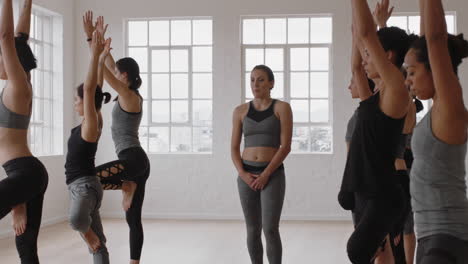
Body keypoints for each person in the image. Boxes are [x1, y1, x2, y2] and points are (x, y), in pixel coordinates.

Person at [339, 0, 413, 262]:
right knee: (378, 253)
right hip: (364, 188)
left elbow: (367, 36)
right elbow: (358, 57)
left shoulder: (396, 90)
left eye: (371, 54)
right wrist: (355, 24)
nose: (365, 58)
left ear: (388, 56)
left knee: (358, 250)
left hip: (382, 192)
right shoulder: (374, 96)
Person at [83, 12, 150, 264]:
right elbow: (110, 66)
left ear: (128, 76)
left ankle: (125, 185)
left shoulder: (130, 95)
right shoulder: (126, 91)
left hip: (132, 160)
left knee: (87, 178)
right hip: (137, 163)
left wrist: (97, 51)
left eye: (120, 73)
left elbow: (107, 71)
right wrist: (93, 37)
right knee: (133, 220)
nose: (117, 74)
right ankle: (134, 262)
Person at [404, 0, 468, 262]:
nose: (407, 81)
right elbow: (427, 40)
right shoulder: (438, 110)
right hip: (433, 235)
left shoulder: (449, 106)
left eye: (411, 72)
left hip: (445, 237)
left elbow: (434, 39)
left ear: (433, 68)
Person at [0, 0, 49, 263]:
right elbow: (19, 38)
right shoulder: (21, 83)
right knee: (27, 248)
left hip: (25, 174)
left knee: (26, 246)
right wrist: (26, 5)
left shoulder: (18, 86)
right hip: (26, 176)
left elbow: (7, 37)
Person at [231, 65, 292, 264]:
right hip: (246, 175)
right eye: (252, 80)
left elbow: (285, 146)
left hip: (272, 175)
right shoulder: (240, 111)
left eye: (261, 79)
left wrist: (266, 174)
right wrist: (243, 173)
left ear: (271, 83)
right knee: (252, 228)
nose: (255, 84)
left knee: (270, 228)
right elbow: (233, 148)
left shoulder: (282, 108)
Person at [66, 30, 111, 264]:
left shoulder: (91, 125)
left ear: (86, 102)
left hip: (84, 187)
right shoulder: (90, 120)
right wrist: (100, 58)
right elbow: (96, 91)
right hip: (81, 186)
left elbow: (91, 89)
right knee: (98, 246)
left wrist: (93, 54)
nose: (75, 103)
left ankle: (89, 234)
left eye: (76, 99)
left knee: (77, 221)